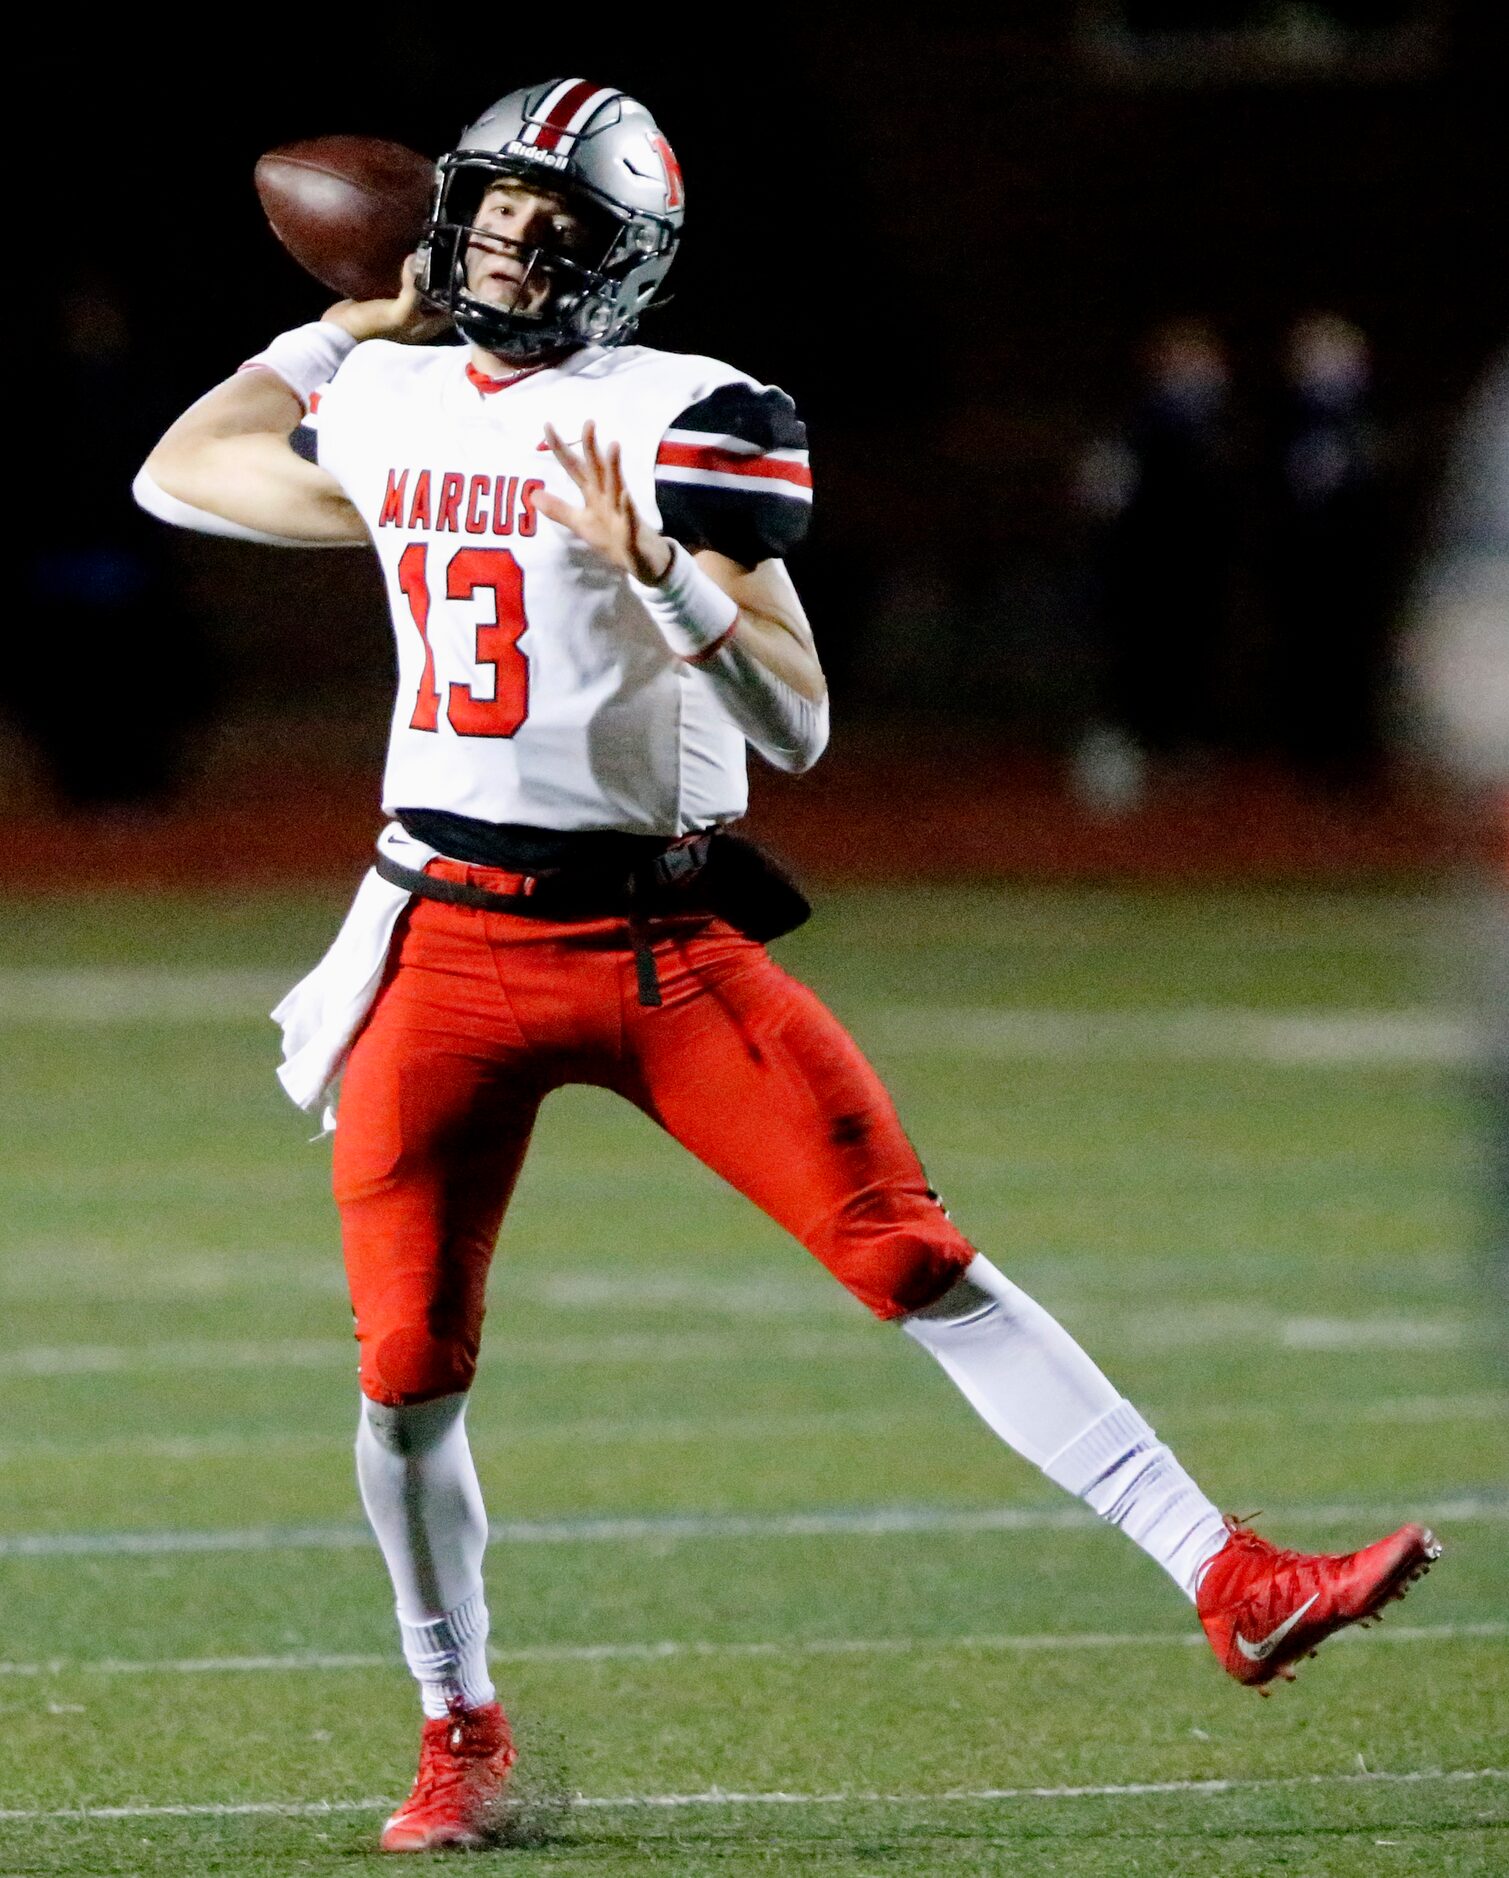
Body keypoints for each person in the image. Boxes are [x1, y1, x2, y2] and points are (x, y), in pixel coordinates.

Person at [135, 79, 1441, 1855]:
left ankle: (1230, 1575)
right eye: (492, 204)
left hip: (657, 936)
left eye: (552, 217)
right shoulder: (392, 392)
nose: (513, 236)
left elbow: (797, 722)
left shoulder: (688, 415)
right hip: (437, 936)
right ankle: (461, 1728)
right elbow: (176, 470)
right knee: (405, 1362)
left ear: (625, 261)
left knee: (913, 1254)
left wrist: (663, 574)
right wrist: (340, 321)